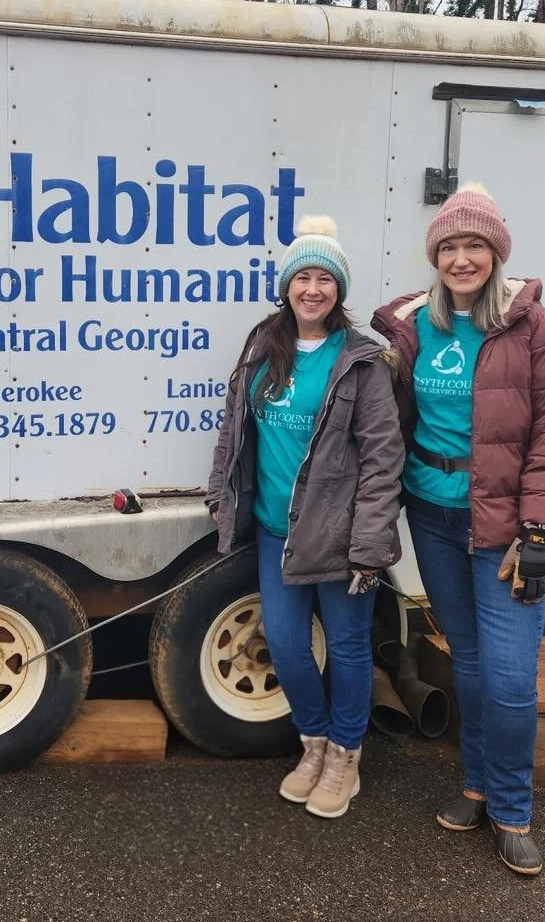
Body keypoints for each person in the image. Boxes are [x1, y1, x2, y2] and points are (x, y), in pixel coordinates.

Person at [372, 184, 545, 876]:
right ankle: (475, 785)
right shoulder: (412, 326)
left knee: (511, 676)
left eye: (475, 246)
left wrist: (538, 533)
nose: (462, 259)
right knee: (466, 658)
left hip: (503, 523)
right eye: (450, 247)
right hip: (431, 514)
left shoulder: (533, 328)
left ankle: (513, 808)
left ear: (496, 252)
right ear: (435, 256)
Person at [205, 215, 405, 819]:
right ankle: (313, 743)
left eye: (325, 278)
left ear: (339, 290)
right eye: (302, 277)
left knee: (346, 647)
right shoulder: (265, 345)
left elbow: (382, 459)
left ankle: (346, 755)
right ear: (287, 285)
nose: (312, 289)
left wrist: (370, 545)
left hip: (341, 536)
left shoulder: (362, 360)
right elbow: (234, 429)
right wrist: (221, 493)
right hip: (275, 530)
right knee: (288, 645)